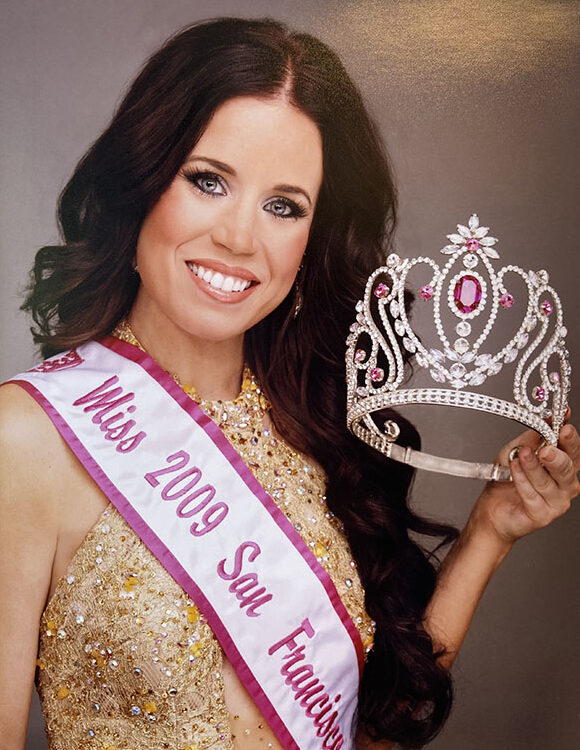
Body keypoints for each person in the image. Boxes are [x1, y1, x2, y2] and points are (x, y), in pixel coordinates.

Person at [0, 16, 578, 750]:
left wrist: (490, 533)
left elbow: (371, 734)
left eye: (283, 206)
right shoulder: (26, 441)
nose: (240, 238)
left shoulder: (314, 430)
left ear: (312, 238)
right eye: (208, 181)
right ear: (140, 186)